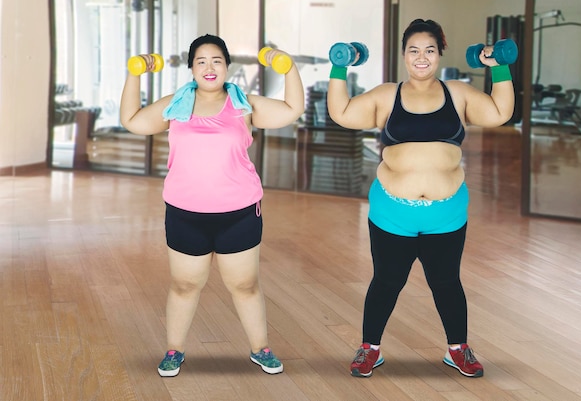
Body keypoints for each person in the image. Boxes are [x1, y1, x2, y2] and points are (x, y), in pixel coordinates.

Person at [326, 19, 515, 378]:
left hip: (446, 214)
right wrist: (339, 65)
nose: (421, 57)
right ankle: (370, 349)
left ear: (439, 54)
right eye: (414, 50)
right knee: (386, 280)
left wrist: (499, 66)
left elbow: (500, 113)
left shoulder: (457, 93)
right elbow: (342, 113)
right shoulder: (386, 95)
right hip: (393, 212)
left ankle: (458, 349)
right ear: (404, 55)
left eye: (429, 50)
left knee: (446, 282)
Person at [120, 34, 305, 377]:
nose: (209, 67)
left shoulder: (244, 105)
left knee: (245, 285)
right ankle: (174, 350)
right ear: (191, 68)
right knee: (184, 285)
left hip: (239, 212)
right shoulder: (174, 105)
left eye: (217, 60)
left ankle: (260, 348)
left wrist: (288, 67)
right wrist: (135, 73)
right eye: (201, 61)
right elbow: (132, 120)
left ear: (227, 68)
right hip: (185, 213)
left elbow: (293, 109)